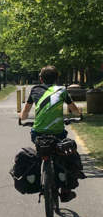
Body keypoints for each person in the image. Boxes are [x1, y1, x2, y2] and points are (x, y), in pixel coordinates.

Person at [19, 65, 82, 202]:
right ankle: (65, 190)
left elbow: (24, 115)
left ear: (40, 79)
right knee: (64, 155)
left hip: (38, 133)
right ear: (56, 79)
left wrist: (22, 118)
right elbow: (75, 111)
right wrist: (79, 115)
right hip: (58, 133)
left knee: (40, 152)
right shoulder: (62, 90)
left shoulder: (35, 90)